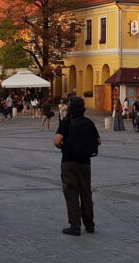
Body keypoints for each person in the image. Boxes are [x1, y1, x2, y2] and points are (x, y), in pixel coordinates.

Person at [54, 96, 101, 236]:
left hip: (69, 161)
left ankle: (75, 226)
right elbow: (98, 141)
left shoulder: (66, 122)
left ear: (69, 108)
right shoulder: (89, 122)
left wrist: (65, 146)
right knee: (86, 193)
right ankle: (89, 224)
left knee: (72, 193)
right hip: (85, 162)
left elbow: (56, 141)